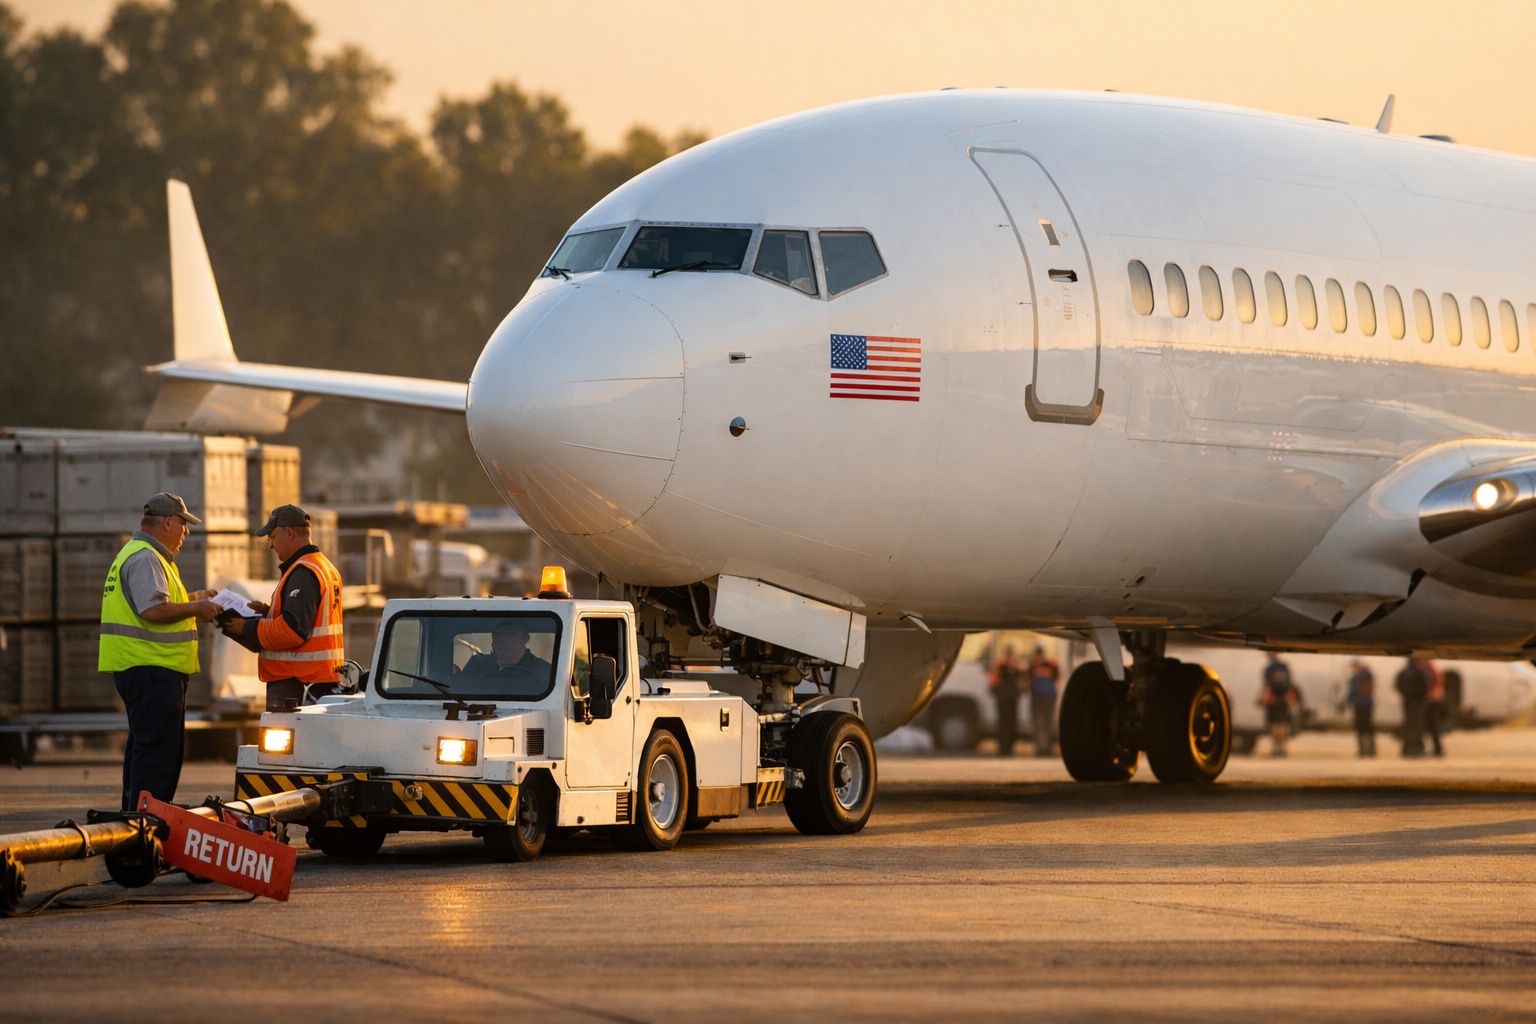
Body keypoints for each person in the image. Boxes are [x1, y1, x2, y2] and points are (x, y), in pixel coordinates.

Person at [98, 493, 222, 809]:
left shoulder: (141, 554)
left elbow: (157, 604)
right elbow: (152, 611)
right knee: (158, 753)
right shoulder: (146, 558)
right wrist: (197, 606)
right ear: (167, 521)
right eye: (183, 523)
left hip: (145, 670)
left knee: (146, 748)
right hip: (151, 670)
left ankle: (135, 819)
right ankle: (145, 825)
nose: (186, 531)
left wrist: (194, 598)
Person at [221, 504, 344, 710]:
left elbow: (292, 630)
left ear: (288, 533)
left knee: (291, 742)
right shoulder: (322, 566)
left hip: (297, 688)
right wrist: (267, 612)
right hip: (316, 684)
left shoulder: (303, 572)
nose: (270, 544)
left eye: (272, 536)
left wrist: (247, 628)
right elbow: (308, 621)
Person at [461, 621, 551, 692]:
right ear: (492, 640)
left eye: (511, 634)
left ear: (525, 638)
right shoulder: (476, 665)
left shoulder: (543, 670)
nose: (503, 640)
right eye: (497, 635)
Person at [1260, 654, 1298, 757]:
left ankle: (1276, 748)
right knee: (1283, 724)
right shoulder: (1285, 666)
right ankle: (1283, 748)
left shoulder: (1268, 668)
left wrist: (1262, 698)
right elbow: (1290, 683)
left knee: (1274, 724)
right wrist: (1291, 698)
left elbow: (1266, 684)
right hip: (1284, 699)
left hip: (1273, 699)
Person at [1026, 645, 1061, 757]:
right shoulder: (1032, 666)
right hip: (1037, 697)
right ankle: (1039, 747)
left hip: (1047, 698)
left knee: (1046, 723)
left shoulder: (1050, 664)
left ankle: (1046, 747)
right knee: (1037, 723)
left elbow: (1057, 677)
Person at [988, 646, 1022, 757]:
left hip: (1012, 699)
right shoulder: (1001, 666)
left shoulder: (1016, 668)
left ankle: (1009, 747)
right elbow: (994, 681)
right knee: (1004, 724)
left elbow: (1022, 683)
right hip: (1003, 699)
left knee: (1011, 723)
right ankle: (1003, 747)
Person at [1395, 657, 1428, 757]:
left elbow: (1397, 685)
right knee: (1417, 726)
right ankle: (1417, 749)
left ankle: (1406, 750)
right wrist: (1421, 696)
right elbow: (1424, 686)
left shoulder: (1403, 672)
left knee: (1408, 725)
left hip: (1407, 702)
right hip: (1417, 702)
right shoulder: (1419, 672)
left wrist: (1406, 694)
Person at [1345, 658, 1376, 757]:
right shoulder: (1354, 678)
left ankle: (1370, 749)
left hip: (1365, 705)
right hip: (1358, 705)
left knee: (1367, 727)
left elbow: (1367, 689)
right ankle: (1363, 749)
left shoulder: (1366, 676)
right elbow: (1351, 692)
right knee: (1360, 728)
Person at [1423, 658, 1446, 757]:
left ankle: (1438, 749)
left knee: (1433, 726)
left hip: (1433, 700)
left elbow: (1432, 686)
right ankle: (1438, 749)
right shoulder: (1436, 670)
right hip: (1436, 699)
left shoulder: (1431, 671)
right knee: (1434, 727)